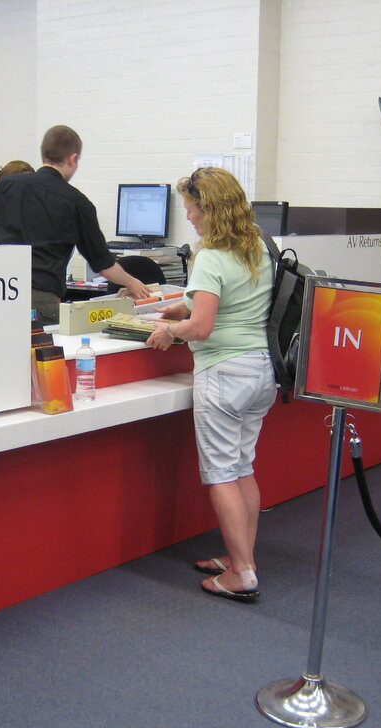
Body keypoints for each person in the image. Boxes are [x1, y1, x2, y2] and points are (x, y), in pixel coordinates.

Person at [146, 167, 275, 603]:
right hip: (260, 370)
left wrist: (170, 331)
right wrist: (180, 306)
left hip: (224, 373)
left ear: (210, 209)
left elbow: (201, 327)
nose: (188, 217)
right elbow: (224, 300)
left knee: (221, 475)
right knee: (242, 467)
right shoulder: (258, 247)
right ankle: (243, 558)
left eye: (192, 209)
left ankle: (241, 573)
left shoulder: (211, 257)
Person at [0, 125, 153, 325]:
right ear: (72, 158)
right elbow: (104, 265)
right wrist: (133, 282)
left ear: (44, 154)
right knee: (36, 345)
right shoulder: (77, 202)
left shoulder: (4, 186)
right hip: (39, 303)